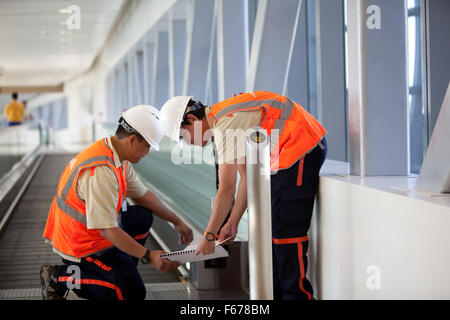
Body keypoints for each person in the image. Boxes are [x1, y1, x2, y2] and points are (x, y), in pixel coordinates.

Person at [160, 91, 327, 300]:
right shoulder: (224, 120)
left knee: (286, 234)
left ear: (192, 120)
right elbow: (247, 175)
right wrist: (232, 222)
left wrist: (209, 236)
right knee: (274, 231)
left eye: (183, 137)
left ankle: (297, 296)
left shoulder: (224, 125)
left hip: (300, 147)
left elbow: (227, 189)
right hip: (285, 156)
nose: (188, 143)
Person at [41, 105, 193, 300]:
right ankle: (58, 276)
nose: (147, 152)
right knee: (130, 291)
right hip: (80, 245)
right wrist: (148, 255)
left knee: (142, 215)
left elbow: (144, 196)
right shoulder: (101, 171)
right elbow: (108, 230)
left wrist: (177, 221)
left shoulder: (116, 155)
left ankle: (121, 267)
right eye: (146, 146)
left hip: (96, 233)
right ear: (132, 139)